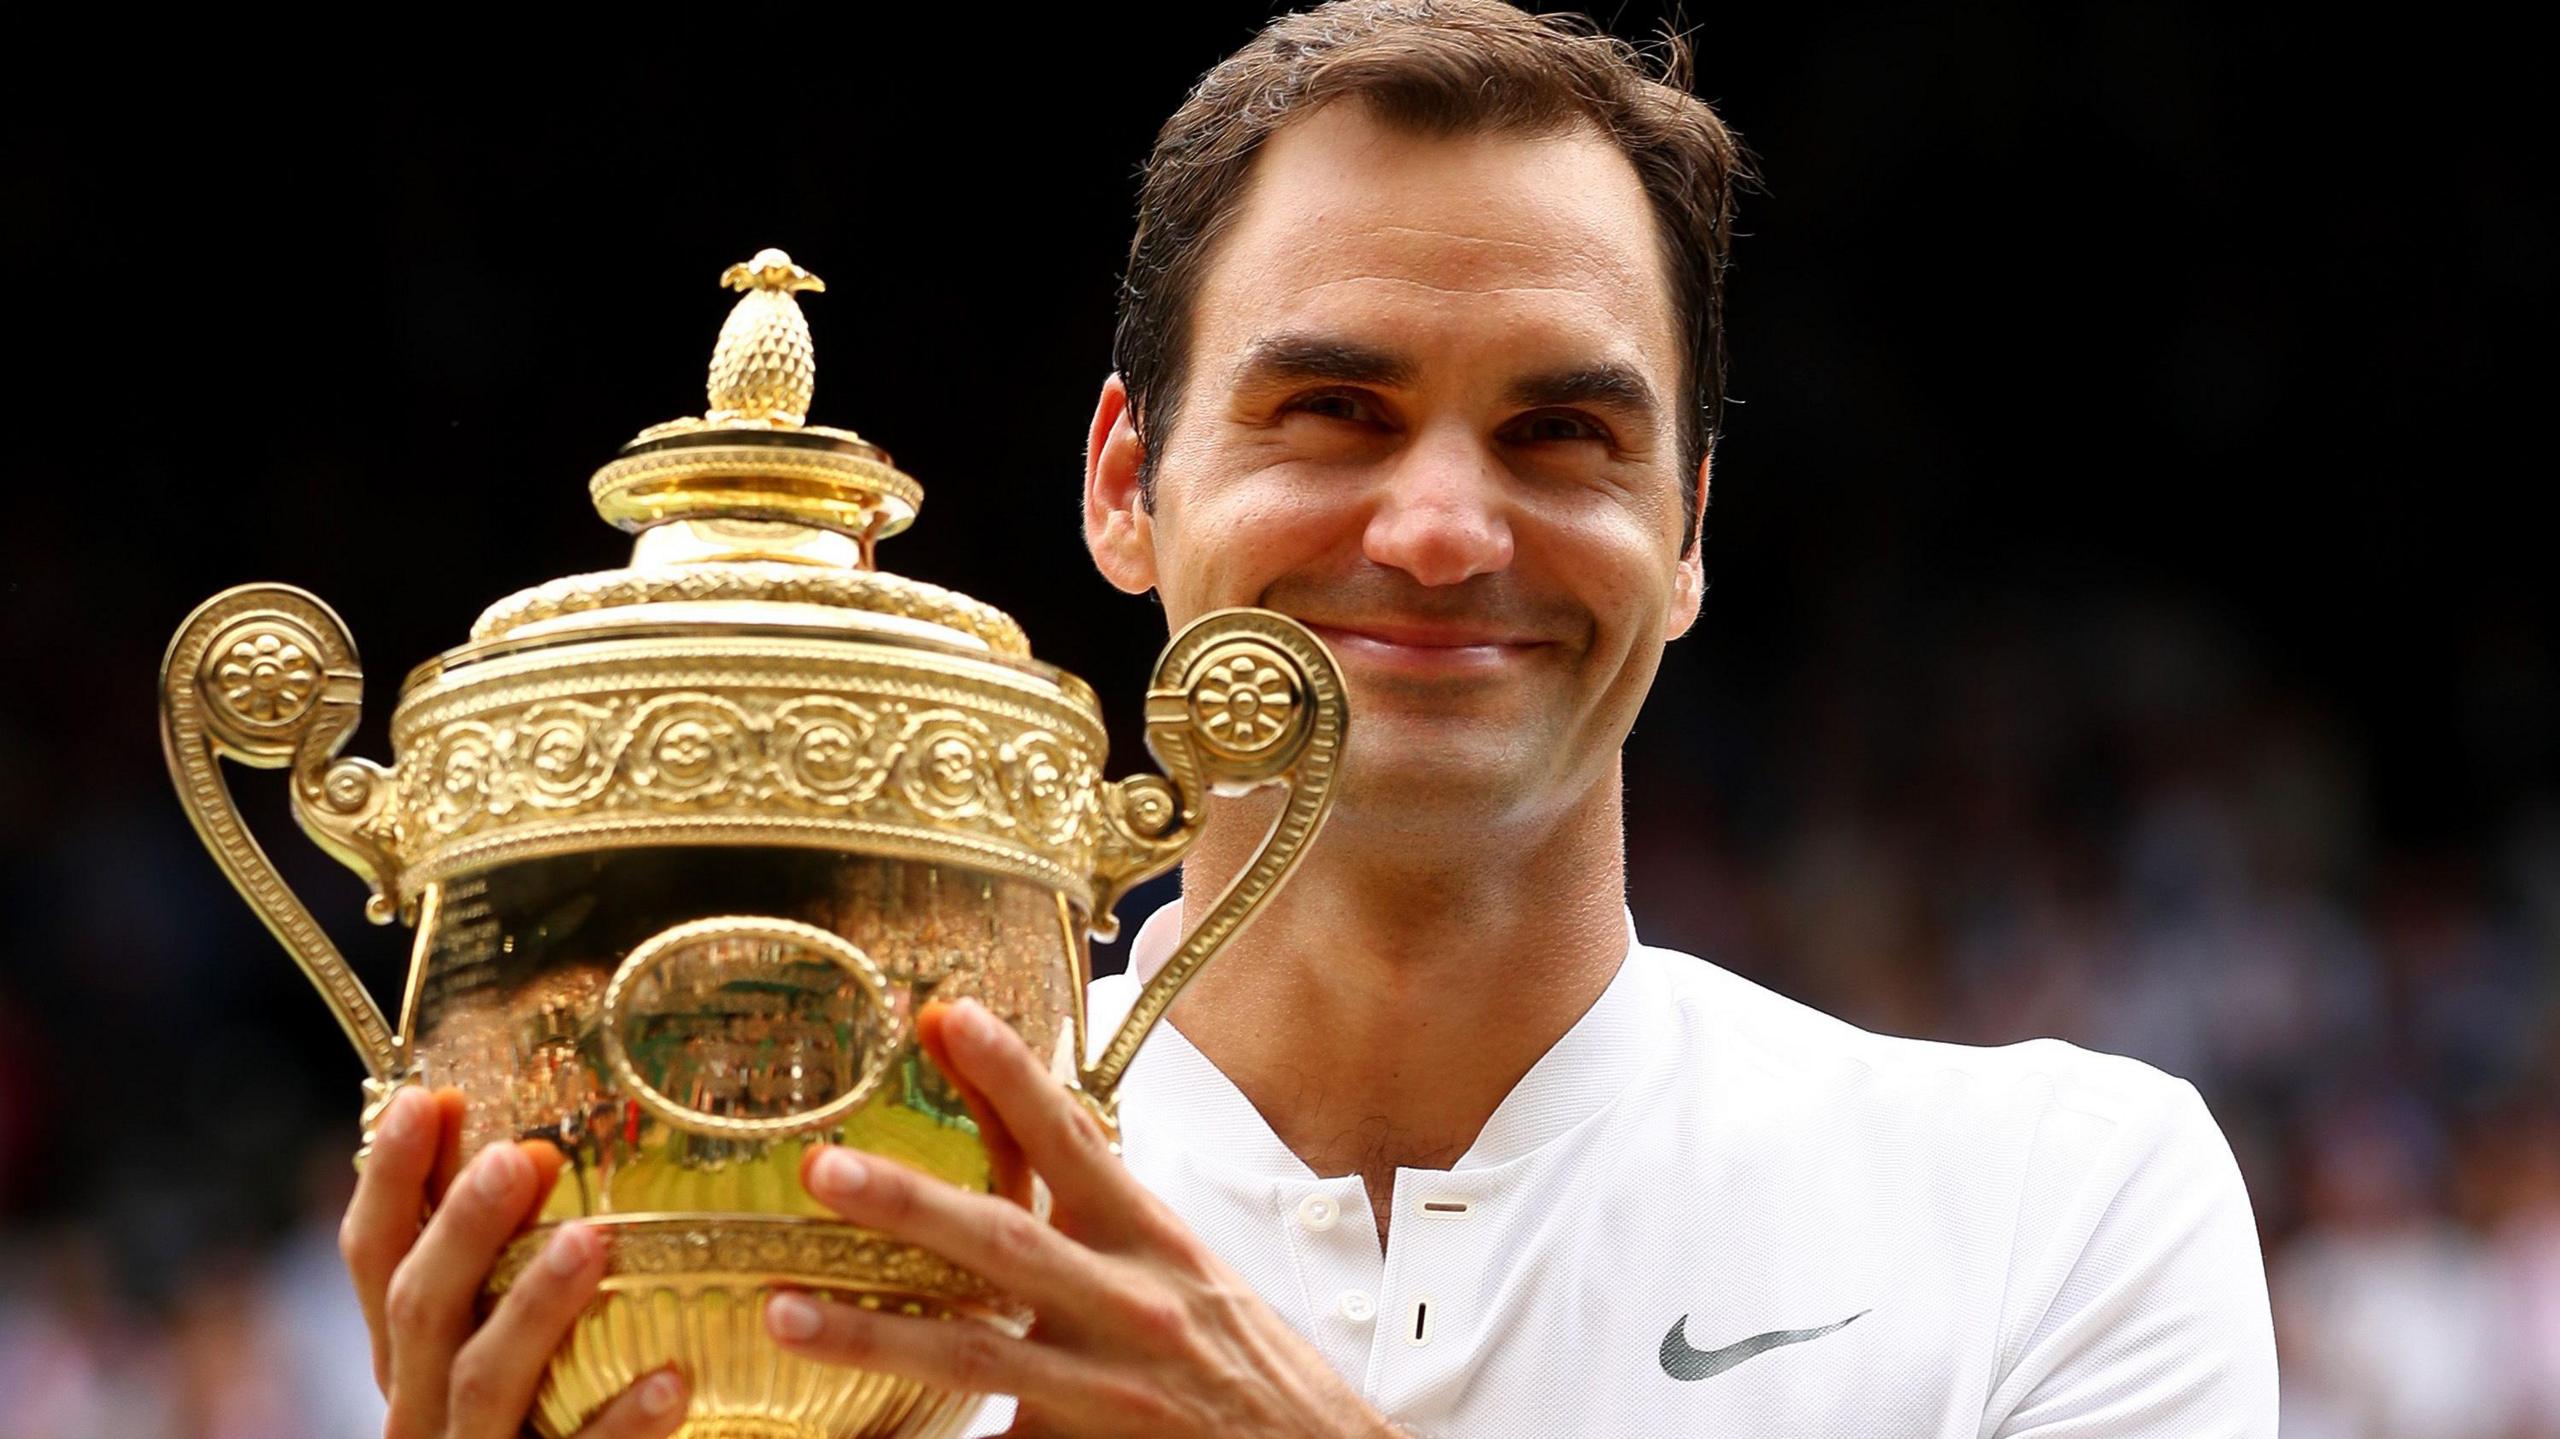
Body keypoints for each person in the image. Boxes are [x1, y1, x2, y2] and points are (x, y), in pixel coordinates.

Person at [336, 3, 2280, 1435]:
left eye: (1559, 434)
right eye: (1330, 413)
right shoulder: (794, 1224)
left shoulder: (2053, 1203)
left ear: (1684, 535)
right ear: (1123, 484)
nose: (1438, 530)